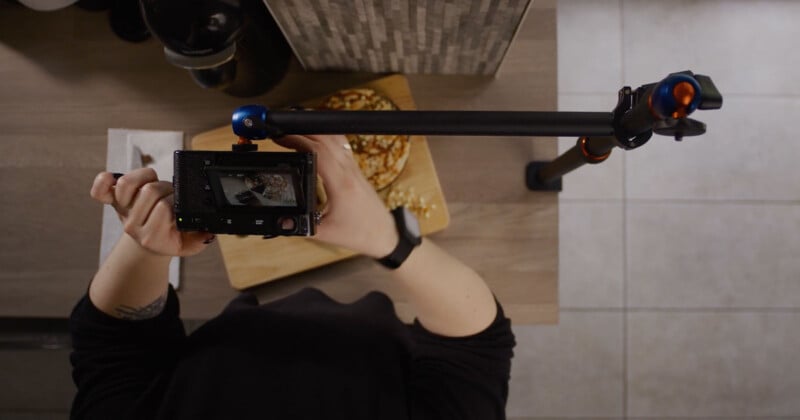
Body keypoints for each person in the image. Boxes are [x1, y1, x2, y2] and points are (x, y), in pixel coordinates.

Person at [69, 134, 516, 420]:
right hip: (388, 333)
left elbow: (113, 346)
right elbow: (476, 345)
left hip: (247, 315)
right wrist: (390, 242)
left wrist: (148, 244)